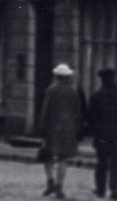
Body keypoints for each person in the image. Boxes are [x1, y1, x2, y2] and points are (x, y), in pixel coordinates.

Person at [87, 68, 117, 200]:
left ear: (102, 80)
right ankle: (114, 189)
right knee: (116, 162)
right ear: (113, 78)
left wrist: (90, 132)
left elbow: (91, 117)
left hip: (101, 133)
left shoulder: (96, 96)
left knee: (101, 162)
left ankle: (100, 189)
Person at [37, 63, 83, 200]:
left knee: (47, 156)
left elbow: (45, 111)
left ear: (56, 76)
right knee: (63, 158)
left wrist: (41, 129)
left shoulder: (51, 90)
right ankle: (59, 186)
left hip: (52, 128)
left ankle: (50, 181)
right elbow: (78, 113)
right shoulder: (73, 92)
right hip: (68, 130)